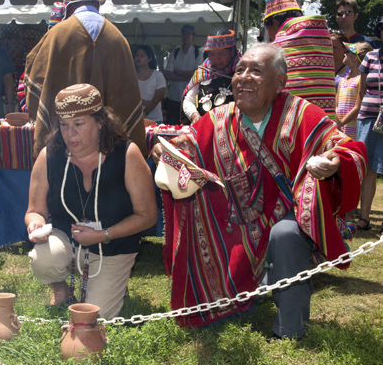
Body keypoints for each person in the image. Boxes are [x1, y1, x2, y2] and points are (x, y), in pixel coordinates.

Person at [158, 45, 366, 339]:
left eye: (256, 71)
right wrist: (166, 149)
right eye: (240, 70)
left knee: (285, 235)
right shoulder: (221, 117)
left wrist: (335, 162)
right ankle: (226, 304)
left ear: (281, 82)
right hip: (240, 217)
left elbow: (345, 147)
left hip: (288, 215)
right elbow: (188, 141)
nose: (243, 77)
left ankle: (289, 328)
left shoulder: (301, 113)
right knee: (200, 209)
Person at [25, 83, 156, 320]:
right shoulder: (49, 156)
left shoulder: (127, 154)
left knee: (95, 317)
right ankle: (61, 288)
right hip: (69, 241)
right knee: (43, 258)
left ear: (100, 122)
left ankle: (114, 281)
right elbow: (35, 210)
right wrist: (35, 224)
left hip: (114, 246)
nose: (69, 134)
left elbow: (147, 216)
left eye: (78, 124)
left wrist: (104, 234)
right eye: (63, 125)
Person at [25, 0, 146, 157]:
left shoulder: (57, 35)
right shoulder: (118, 38)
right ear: (96, 4)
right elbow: (128, 100)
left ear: (67, 6)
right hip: (110, 153)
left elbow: (36, 85)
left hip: (65, 149)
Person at [263, 0, 336, 117]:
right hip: (324, 120)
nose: (270, 35)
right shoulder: (323, 39)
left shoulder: (275, 49)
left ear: (275, 23)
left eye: (268, 29)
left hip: (294, 122)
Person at [355, 18, 383, 234]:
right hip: (367, 118)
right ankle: (364, 218)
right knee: (367, 169)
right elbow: (362, 91)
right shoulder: (371, 57)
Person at [182, 29, 240, 124]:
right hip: (205, 127)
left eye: (221, 54)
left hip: (233, 129)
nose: (216, 58)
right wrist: (194, 115)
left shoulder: (242, 71)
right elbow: (189, 100)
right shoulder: (202, 72)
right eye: (212, 54)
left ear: (232, 52)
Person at [17, 2, 65, 113]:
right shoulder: (38, 55)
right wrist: (30, 110)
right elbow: (23, 85)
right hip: (43, 116)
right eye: (53, 29)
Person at [163, 23, 203, 125]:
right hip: (174, 98)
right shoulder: (175, 53)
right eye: (184, 33)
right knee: (171, 127)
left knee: (189, 127)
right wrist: (188, 75)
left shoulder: (198, 53)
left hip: (191, 97)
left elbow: (197, 74)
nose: (186, 36)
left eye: (189, 33)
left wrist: (178, 72)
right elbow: (168, 75)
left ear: (193, 35)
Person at [336, 42, 372, 140]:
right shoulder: (342, 81)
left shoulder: (361, 80)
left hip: (353, 130)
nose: (344, 53)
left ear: (355, 57)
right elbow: (336, 105)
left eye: (347, 52)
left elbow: (357, 107)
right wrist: (337, 123)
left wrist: (340, 123)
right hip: (340, 128)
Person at [134, 44, 166, 123]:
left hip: (155, 120)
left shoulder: (158, 76)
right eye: (137, 55)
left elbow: (152, 105)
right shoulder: (131, 76)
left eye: (142, 56)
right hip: (134, 121)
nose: (138, 58)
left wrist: (138, 100)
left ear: (149, 59)